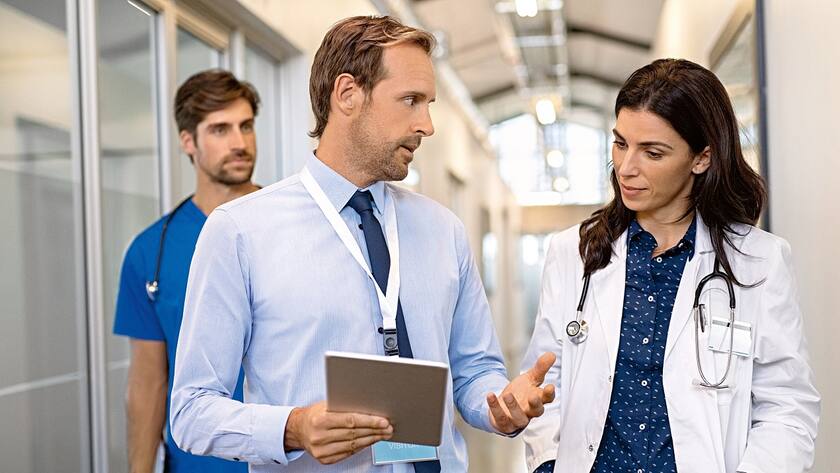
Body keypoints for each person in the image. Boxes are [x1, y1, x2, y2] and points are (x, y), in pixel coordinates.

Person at [170, 15, 555, 472]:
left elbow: (475, 371)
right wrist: (293, 427)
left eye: (428, 103)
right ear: (348, 94)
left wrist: (501, 404)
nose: (427, 124)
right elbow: (191, 410)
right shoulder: (239, 231)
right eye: (411, 100)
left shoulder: (443, 231)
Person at [522, 58, 820, 473]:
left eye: (653, 152)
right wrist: (547, 463)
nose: (626, 168)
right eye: (620, 143)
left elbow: (788, 406)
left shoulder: (759, 261)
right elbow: (543, 381)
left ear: (701, 158)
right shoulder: (571, 253)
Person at [113, 69, 261, 473]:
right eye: (220, 129)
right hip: (196, 464)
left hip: (291, 460)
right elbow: (148, 383)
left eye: (246, 126)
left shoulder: (294, 226)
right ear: (188, 142)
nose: (239, 142)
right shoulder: (151, 252)